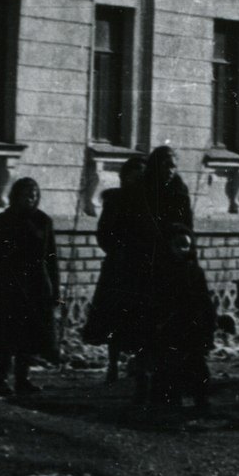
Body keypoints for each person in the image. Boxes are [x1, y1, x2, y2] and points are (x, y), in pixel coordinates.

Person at [82, 153, 155, 382]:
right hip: (120, 268)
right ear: (125, 177)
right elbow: (104, 233)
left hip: (145, 268)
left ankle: (140, 365)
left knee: (143, 318)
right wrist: (119, 250)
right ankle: (112, 365)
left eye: (142, 175)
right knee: (114, 318)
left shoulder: (153, 201)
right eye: (133, 175)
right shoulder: (114, 200)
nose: (137, 180)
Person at [0, 177, 59, 398]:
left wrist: (56, 291)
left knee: (29, 335)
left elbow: (51, 258)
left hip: (36, 284)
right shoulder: (3, 220)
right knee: (7, 336)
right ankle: (0, 381)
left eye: (35, 194)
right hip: (10, 285)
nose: (31, 198)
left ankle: (22, 379)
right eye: (27, 194)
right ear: (15, 195)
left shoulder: (43, 221)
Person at [134, 223, 217, 410]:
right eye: (178, 245)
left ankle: (200, 398)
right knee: (167, 365)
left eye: (186, 245)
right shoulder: (159, 272)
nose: (183, 250)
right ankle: (167, 400)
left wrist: (208, 325)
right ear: (167, 246)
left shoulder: (194, 272)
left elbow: (204, 301)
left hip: (191, 326)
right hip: (169, 327)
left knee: (196, 365)